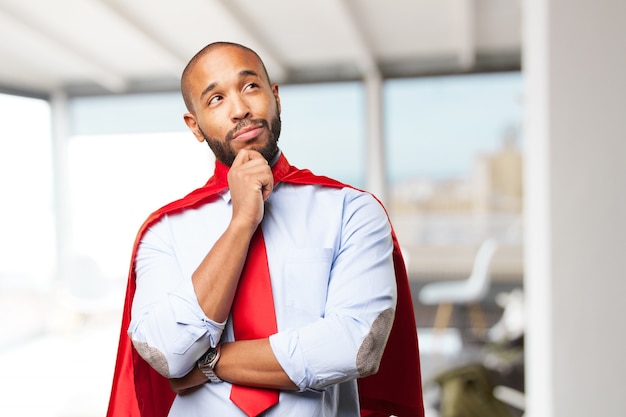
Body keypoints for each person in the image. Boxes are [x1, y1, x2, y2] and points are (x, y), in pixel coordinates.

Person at [106, 41, 423, 417]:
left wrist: (210, 361)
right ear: (195, 126)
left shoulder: (351, 210)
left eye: (250, 87)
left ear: (275, 97)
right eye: (216, 99)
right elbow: (168, 352)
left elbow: (357, 346)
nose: (240, 109)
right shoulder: (164, 230)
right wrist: (242, 222)